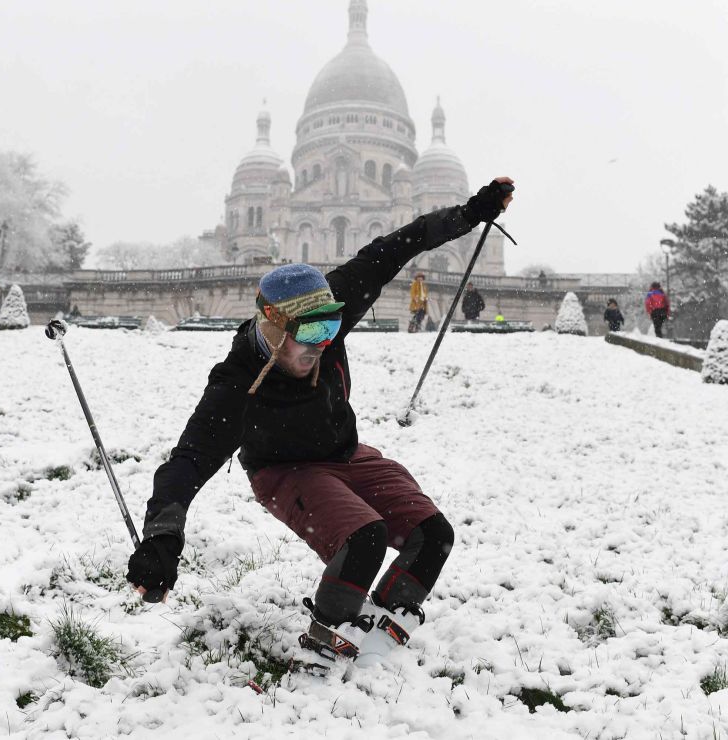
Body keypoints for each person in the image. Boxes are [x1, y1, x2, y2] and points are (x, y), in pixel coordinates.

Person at [126, 177, 515, 665]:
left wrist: (469, 213)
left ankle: (382, 627)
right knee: (365, 537)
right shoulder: (238, 381)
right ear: (272, 327)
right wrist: (162, 539)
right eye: (310, 331)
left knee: (433, 535)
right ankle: (325, 642)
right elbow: (188, 460)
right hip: (285, 471)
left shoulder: (327, 318)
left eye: (332, 326)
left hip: (346, 454)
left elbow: (396, 246)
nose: (322, 342)